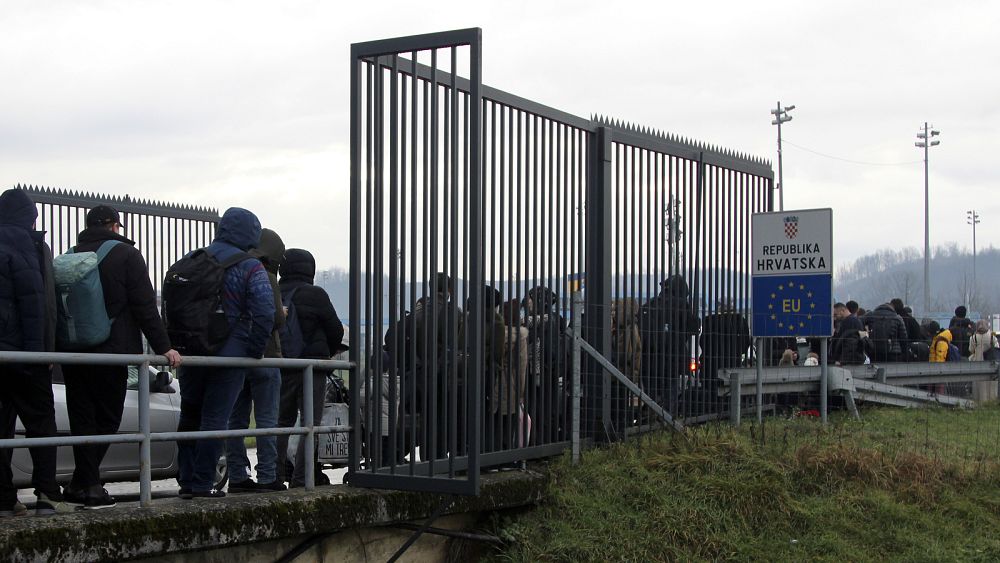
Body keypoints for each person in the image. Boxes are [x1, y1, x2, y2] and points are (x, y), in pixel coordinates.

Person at [60, 205, 181, 509]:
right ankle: (88, 484)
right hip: (111, 352)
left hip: (73, 353)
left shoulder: (69, 255)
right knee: (108, 417)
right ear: (114, 226)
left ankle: (81, 483)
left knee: (82, 419)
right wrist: (164, 347)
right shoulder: (126, 255)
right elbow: (144, 306)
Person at [176, 208, 273, 499]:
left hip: (191, 352)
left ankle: (187, 481)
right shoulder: (250, 267)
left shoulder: (193, 258)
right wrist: (252, 352)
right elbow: (265, 312)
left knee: (189, 416)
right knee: (216, 419)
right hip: (229, 355)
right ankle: (203, 483)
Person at [0, 188, 70, 516]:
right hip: (21, 355)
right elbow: (33, 305)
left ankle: (3, 496)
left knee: (2, 427)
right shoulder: (25, 245)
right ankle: (47, 493)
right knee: (42, 424)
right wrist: (36, 355)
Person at [275, 248, 345, 487]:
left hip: (280, 365)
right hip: (312, 368)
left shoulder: (275, 293)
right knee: (309, 424)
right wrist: (330, 348)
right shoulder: (315, 294)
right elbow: (335, 328)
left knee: (280, 422)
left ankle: (273, 475)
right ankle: (301, 479)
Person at [226, 228, 286, 493]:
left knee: (235, 420)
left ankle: (237, 475)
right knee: (266, 420)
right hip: (266, 356)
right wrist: (281, 312)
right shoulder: (266, 275)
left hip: (236, 356)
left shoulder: (232, 270)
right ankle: (267, 475)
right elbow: (275, 318)